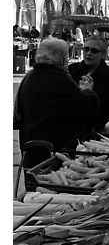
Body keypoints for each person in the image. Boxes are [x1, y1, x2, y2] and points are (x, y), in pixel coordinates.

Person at [13, 37, 99, 168]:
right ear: (62, 59)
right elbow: (86, 109)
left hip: (30, 147)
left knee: (34, 183)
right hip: (53, 153)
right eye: (67, 57)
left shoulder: (29, 76)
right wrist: (88, 91)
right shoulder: (59, 79)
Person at [69, 35, 109, 131]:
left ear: (103, 54)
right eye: (86, 49)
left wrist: (93, 91)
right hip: (75, 126)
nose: (88, 53)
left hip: (102, 127)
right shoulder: (72, 70)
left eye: (94, 51)